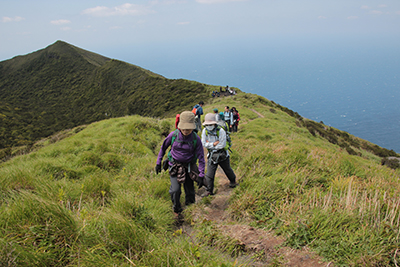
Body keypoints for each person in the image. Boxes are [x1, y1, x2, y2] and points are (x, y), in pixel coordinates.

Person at [155, 111, 205, 215]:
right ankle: (177, 208)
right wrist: (158, 162)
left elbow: (201, 157)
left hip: (189, 167)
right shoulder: (173, 135)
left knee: (190, 191)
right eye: (184, 128)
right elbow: (163, 148)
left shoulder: (196, 139)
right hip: (174, 166)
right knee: (175, 190)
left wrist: (201, 174)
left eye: (188, 128)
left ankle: (191, 211)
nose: (186, 131)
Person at [201, 113, 237, 197]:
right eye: (207, 124)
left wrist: (209, 144)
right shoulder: (204, 131)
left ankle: (233, 181)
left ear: (214, 123)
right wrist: (213, 144)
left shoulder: (221, 131)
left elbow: (222, 145)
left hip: (222, 155)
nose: (209, 126)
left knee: (227, 169)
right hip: (211, 156)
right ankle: (209, 190)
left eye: (211, 124)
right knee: (209, 174)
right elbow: (203, 143)